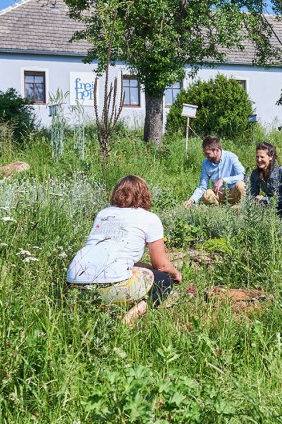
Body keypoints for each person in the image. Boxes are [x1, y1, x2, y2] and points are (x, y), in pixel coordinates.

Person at [67, 175, 182, 325]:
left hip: (74, 284)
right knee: (163, 281)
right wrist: (175, 274)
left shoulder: (104, 213)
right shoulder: (149, 218)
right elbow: (161, 265)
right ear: (144, 194)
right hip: (111, 285)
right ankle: (128, 320)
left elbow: (111, 256)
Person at [184, 135, 246, 208]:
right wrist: (191, 200)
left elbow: (243, 175)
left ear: (216, 150)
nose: (205, 156)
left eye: (208, 153)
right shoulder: (205, 163)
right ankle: (218, 211)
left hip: (232, 192)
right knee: (207, 195)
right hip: (219, 194)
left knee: (241, 185)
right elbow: (202, 186)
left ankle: (238, 208)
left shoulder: (231, 157)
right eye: (204, 153)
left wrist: (223, 180)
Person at [249, 141, 282, 222]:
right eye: (257, 157)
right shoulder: (255, 173)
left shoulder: (281, 171)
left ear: (271, 157)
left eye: (262, 157)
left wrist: (265, 199)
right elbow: (253, 195)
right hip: (272, 205)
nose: (259, 160)